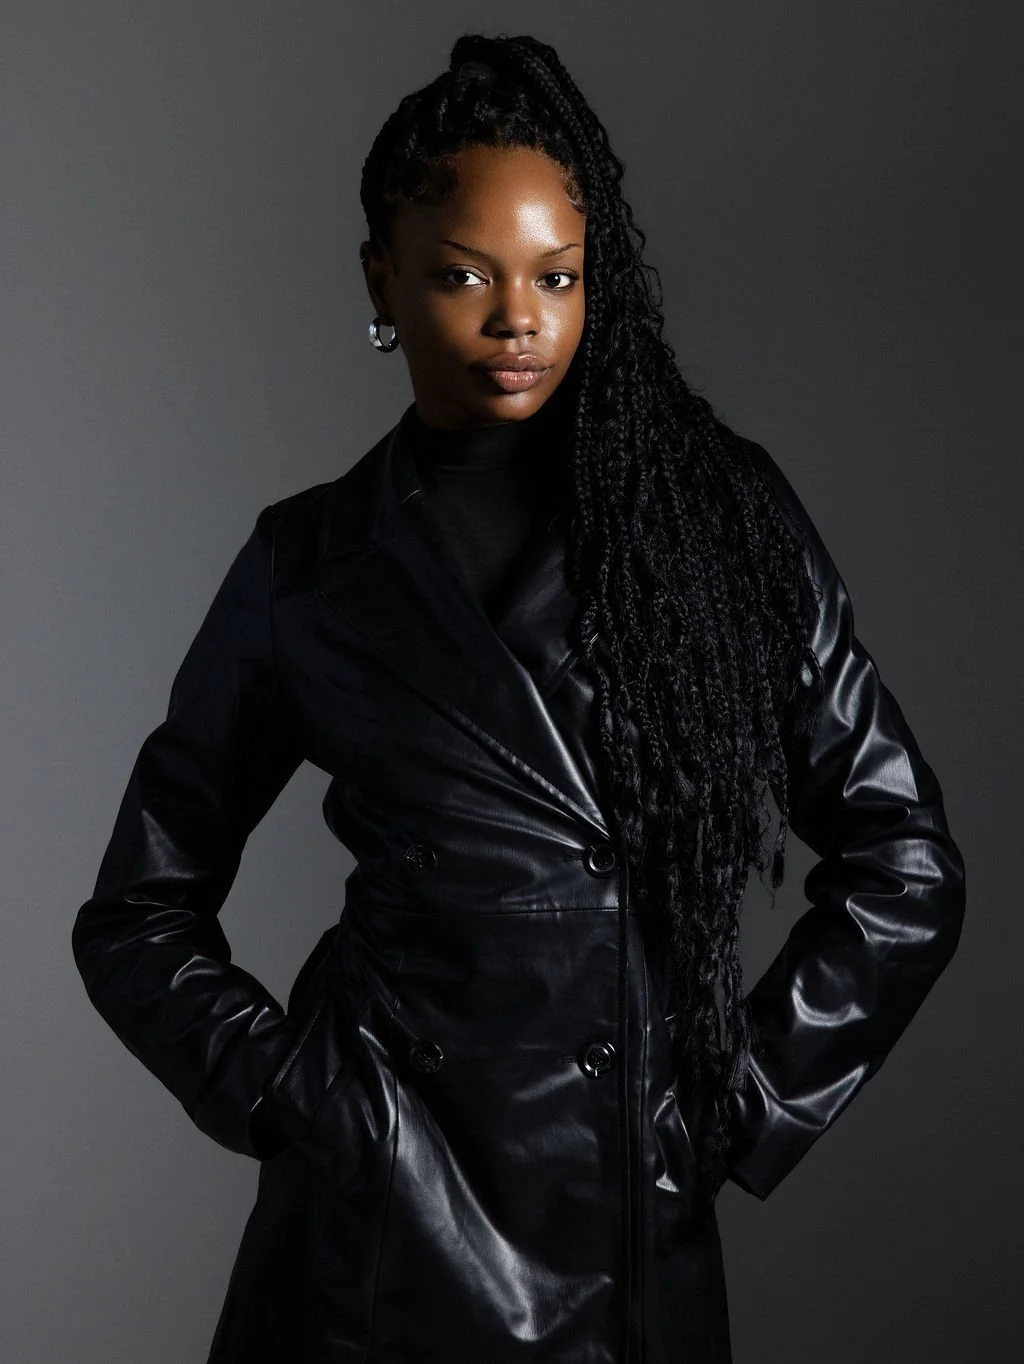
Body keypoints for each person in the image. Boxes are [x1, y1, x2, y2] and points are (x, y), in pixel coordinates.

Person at [72, 31, 967, 1364]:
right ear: (381, 278)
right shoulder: (306, 563)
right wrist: (301, 1099)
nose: (518, 320)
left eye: (558, 275)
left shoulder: (714, 521)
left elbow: (906, 862)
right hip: (377, 1231)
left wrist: (732, 1104)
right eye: (463, 275)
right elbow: (137, 913)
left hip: (623, 1211)